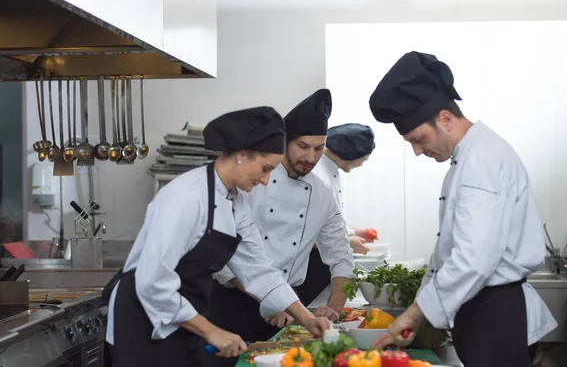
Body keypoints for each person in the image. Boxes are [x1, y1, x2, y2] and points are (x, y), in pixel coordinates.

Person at [368, 51, 557, 367]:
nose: (417, 151)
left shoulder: (480, 160)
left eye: (419, 139)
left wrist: (416, 313)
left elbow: (473, 258)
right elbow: (447, 251)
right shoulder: (470, 157)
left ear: (444, 118)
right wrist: (418, 314)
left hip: (494, 312)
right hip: (484, 310)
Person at [105, 106, 330, 367]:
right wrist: (210, 330)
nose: (267, 180)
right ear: (242, 155)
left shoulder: (235, 201)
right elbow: (152, 281)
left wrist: (307, 318)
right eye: (265, 168)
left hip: (184, 316)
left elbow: (258, 270)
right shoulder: (186, 196)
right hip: (143, 320)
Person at [205, 89, 355, 367]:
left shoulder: (322, 194)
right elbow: (229, 262)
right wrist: (280, 303)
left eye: (319, 149)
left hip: (285, 308)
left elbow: (341, 257)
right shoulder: (247, 183)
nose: (311, 157)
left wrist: (331, 309)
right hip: (234, 306)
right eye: (302, 146)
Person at [313, 123, 378, 255]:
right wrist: (346, 242)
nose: (360, 165)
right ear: (352, 153)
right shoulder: (319, 176)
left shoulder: (329, 169)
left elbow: (327, 224)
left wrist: (352, 233)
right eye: (363, 160)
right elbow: (307, 233)